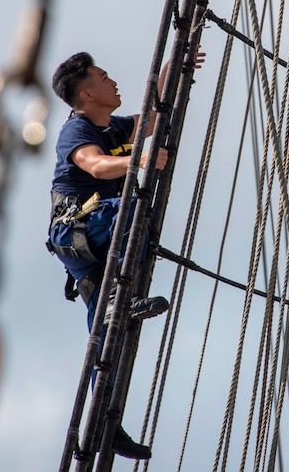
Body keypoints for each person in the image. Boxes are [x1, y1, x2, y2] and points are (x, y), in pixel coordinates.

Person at [46, 49, 203, 460]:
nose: (112, 80)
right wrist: (142, 160)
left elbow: (150, 120)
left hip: (91, 242)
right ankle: (120, 296)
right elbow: (95, 166)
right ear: (86, 94)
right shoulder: (76, 131)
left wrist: (173, 65)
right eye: (103, 76)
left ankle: (101, 427)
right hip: (79, 228)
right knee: (137, 203)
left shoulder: (112, 127)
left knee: (106, 335)